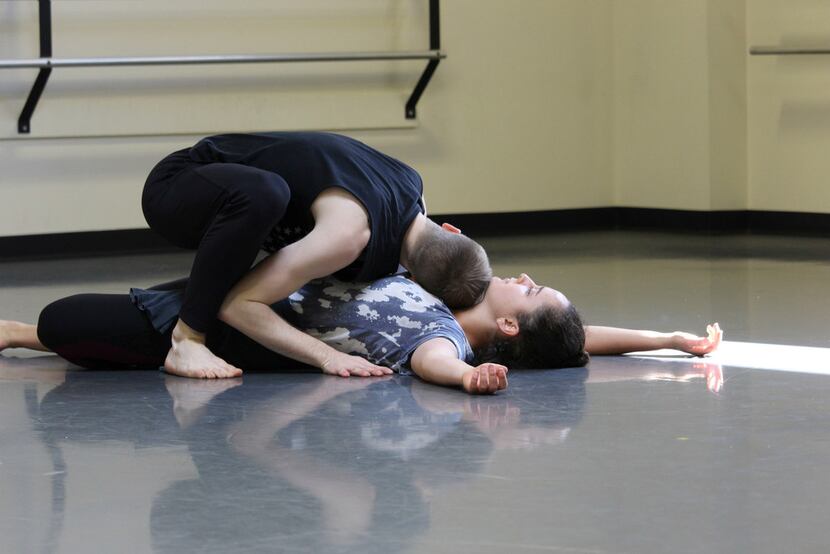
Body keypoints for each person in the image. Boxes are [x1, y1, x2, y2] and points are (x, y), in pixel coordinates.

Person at [140, 131, 492, 380]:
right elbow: (237, 304)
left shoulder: (414, 186)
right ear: (414, 280)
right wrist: (328, 356)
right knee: (267, 194)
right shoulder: (348, 236)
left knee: (273, 213)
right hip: (176, 186)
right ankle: (186, 340)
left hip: (222, 192)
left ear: (451, 230)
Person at [0, 273, 722, 394]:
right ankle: (20, 334)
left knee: (70, 320)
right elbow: (573, 337)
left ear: (505, 326)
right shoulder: (443, 288)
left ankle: (25, 333)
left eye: (530, 291)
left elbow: (435, 361)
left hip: (240, 331)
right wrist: (667, 336)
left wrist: (469, 379)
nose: (524, 277)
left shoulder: (443, 333)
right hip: (236, 297)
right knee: (76, 319)